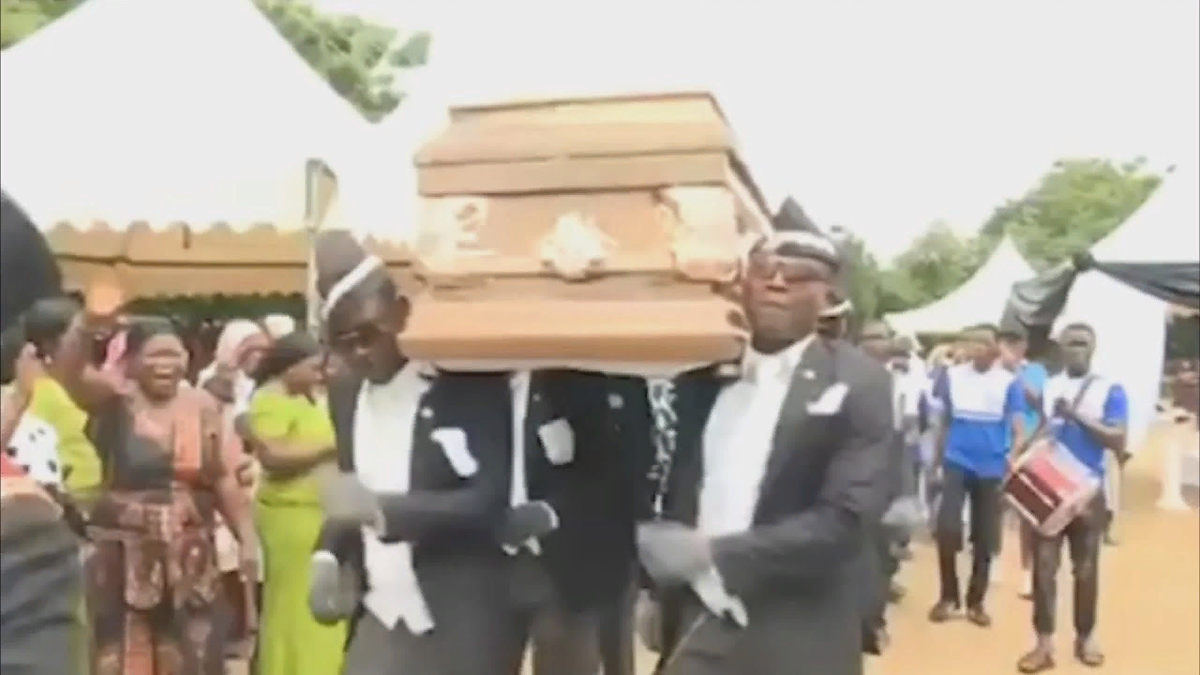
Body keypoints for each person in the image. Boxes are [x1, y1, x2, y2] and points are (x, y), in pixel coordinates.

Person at [637, 230, 895, 675]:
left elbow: (846, 521)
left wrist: (713, 554)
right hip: (701, 619)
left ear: (828, 296)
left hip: (796, 630)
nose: (777, 283)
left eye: (799, 275)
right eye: (763, 270)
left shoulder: (858, 382)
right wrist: (656, 592)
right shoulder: (701, 380)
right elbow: (681, 489)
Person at [305, 232, 520, 675]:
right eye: (344, 343)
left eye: (370, 335)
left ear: (401, 314)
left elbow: (488, 499)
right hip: (380, 609)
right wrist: (327, 553)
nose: (361, 352)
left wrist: (386, 512)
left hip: (461, 614)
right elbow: (352, 490)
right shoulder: (345, 395)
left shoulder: (466, 385)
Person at [55, 284, 259, 675]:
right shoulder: (114, 399)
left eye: (174, 354)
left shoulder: (202, 405)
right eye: (154, 355)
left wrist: (246, 538)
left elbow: (222, 479)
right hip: (124, 555)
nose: (166, 364)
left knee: (193, 654)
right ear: (130, 361)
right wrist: (86, 324)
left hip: (191, 555)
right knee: (124, 653)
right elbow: (71, 374)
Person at [1017, 322, 1129, 673]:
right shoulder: (1051, 386)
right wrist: (1020, 455)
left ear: (1092, 349)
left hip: (1087, 491)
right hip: (1049, 488)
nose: (1076, 349)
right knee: (1044, 568)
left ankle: (1086, 636)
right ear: (1061, 349)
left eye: (1082, 343)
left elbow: (1117, 438)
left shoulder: (1110, 388)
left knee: (1086, 569)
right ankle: (1043, 643)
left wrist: (1075, 415)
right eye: (1070, 343)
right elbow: (1046, 427)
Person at [246, 330, 345, 675]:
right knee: (296, 606)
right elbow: (273, 456)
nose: (320, 375)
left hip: (320, 511)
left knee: (318, 601)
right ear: (289, 366)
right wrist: (334, 448)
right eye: (314, 368)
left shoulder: (309, 398)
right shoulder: (270, 400)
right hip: (289, 516)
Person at [928, 324, 1025, 627]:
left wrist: (1012, 457)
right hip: (956, 460)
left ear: (995, 348)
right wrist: (936, 462)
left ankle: (976, 601)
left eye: (983, 345)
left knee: (985, 536)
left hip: (991, 466)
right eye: (972, 344)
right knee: (946, 528)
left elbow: (1019, 428)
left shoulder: (1009, 382)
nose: (976, 350)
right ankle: (948, 596)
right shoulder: (952, 376)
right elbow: (943, 422)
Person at [999, 326, 1048, 598]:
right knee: (993, 508)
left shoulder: (1035, 371)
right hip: (998, 446)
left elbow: (1039, 401)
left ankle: (1028, 572)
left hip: (1029, 446)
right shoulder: (992, 373)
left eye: (1012, 345)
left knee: (1026, 514)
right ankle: (993, 559)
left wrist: (1015, 371)